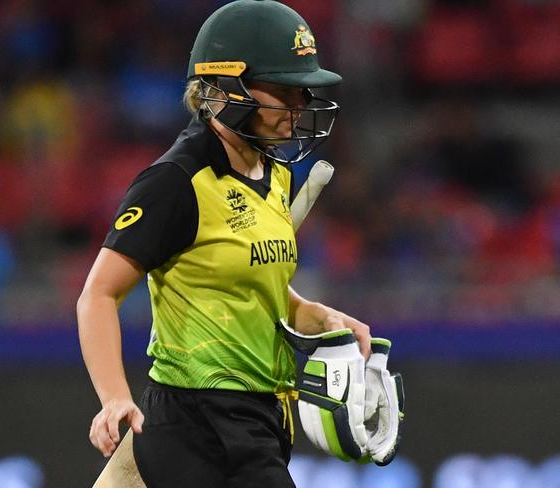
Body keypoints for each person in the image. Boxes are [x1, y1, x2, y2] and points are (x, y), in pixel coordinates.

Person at [77, 1, 372, 486]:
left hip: (260, 416)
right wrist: (114, 398)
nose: (299, 106)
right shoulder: (176, 181)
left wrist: (313, 313)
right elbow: (98, 295)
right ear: (223, 87)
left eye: (302, 91)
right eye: (283, 90)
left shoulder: (274, 173)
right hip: (199, 420)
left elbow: (245, 284)